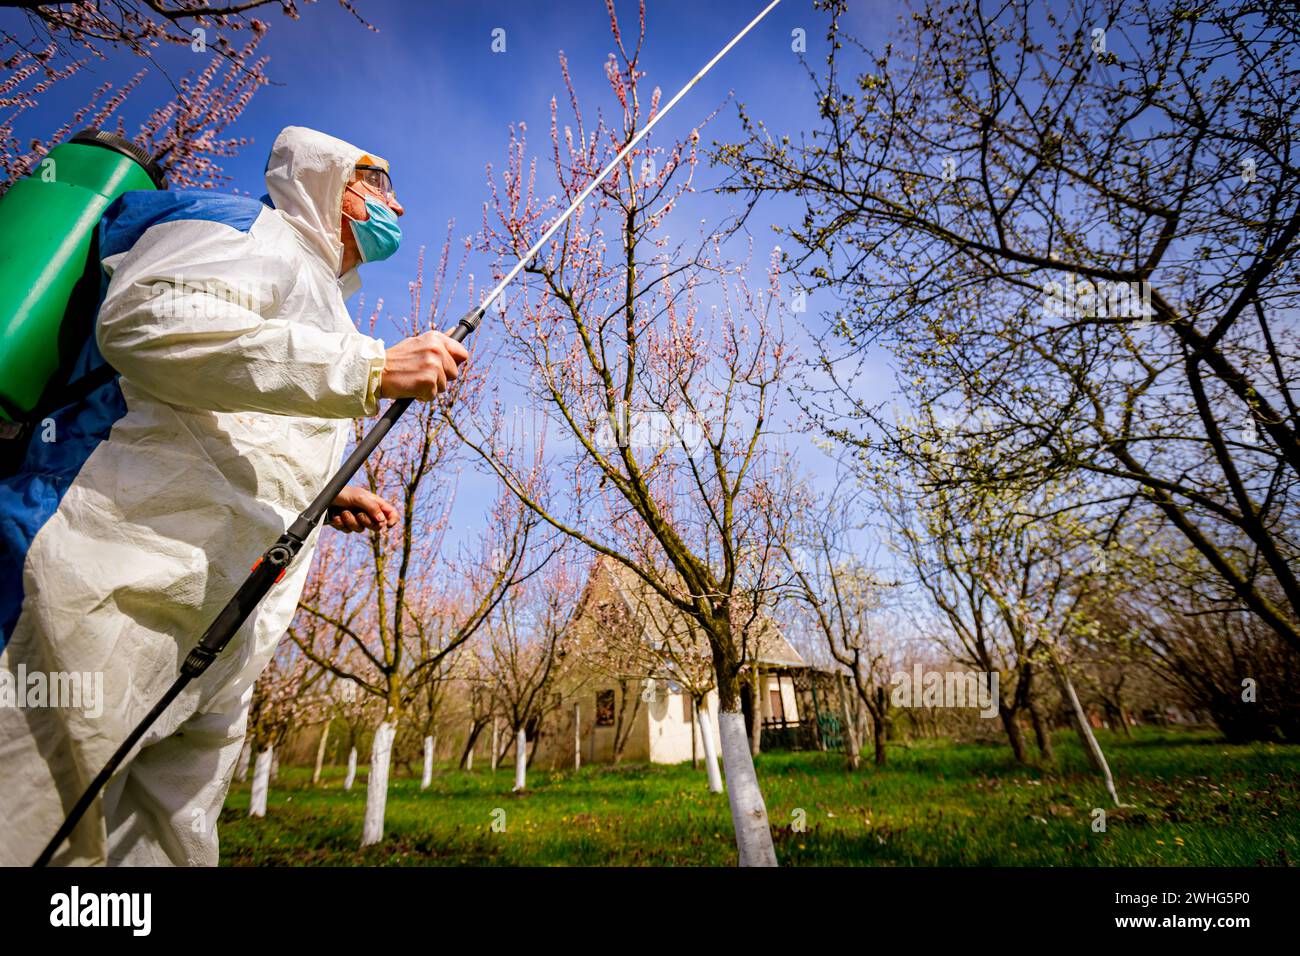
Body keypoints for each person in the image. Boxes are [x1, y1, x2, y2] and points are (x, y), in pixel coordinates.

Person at [0, 126, 468, 865]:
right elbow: (149, 323)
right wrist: (370, 368)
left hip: (224, 626)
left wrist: (324, 493)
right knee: (41, 822)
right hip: (109, 582)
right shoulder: (247, 226)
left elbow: (239, 414)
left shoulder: (326, 303)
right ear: (327, 180)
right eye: (379, 188)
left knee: (169, 841)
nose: (399, 209)